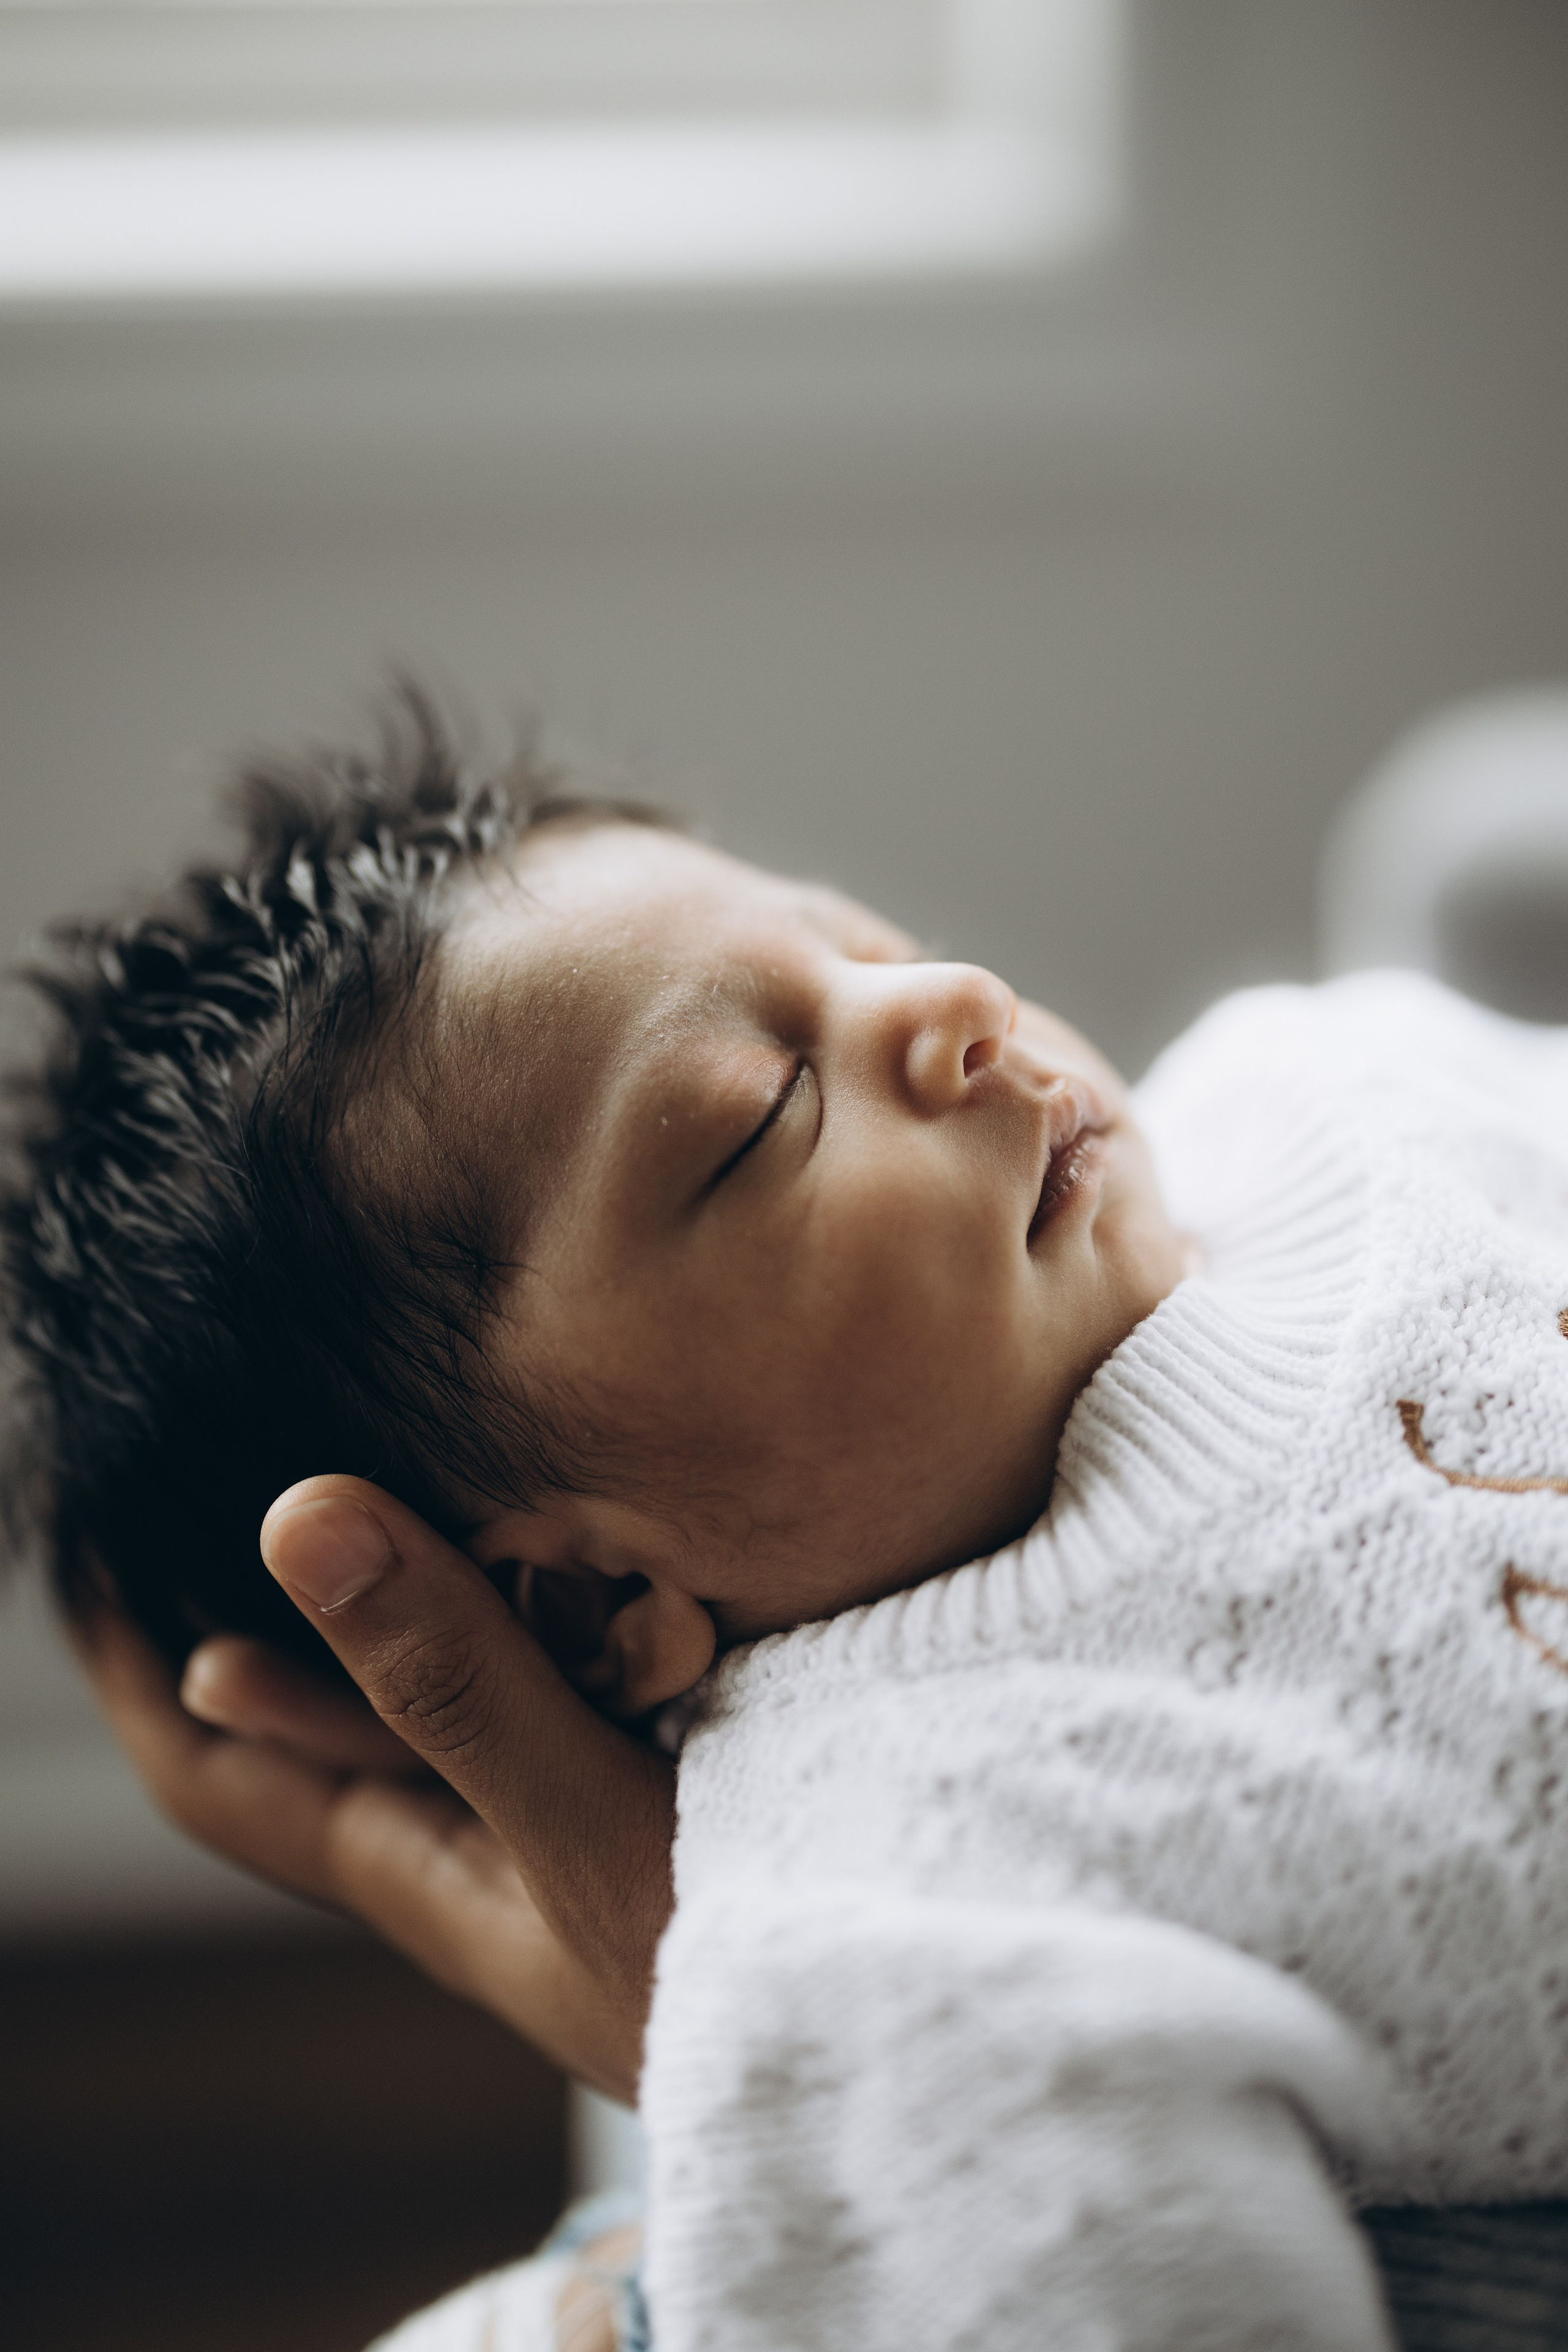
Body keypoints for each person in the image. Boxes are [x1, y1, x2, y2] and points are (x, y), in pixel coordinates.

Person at [13, 698, 1568, 2347]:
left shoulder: (1313, 1088)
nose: (955, 1004)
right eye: (762, 1119)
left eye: (873, 949)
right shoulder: (904, 1900)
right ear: (590, 1603)